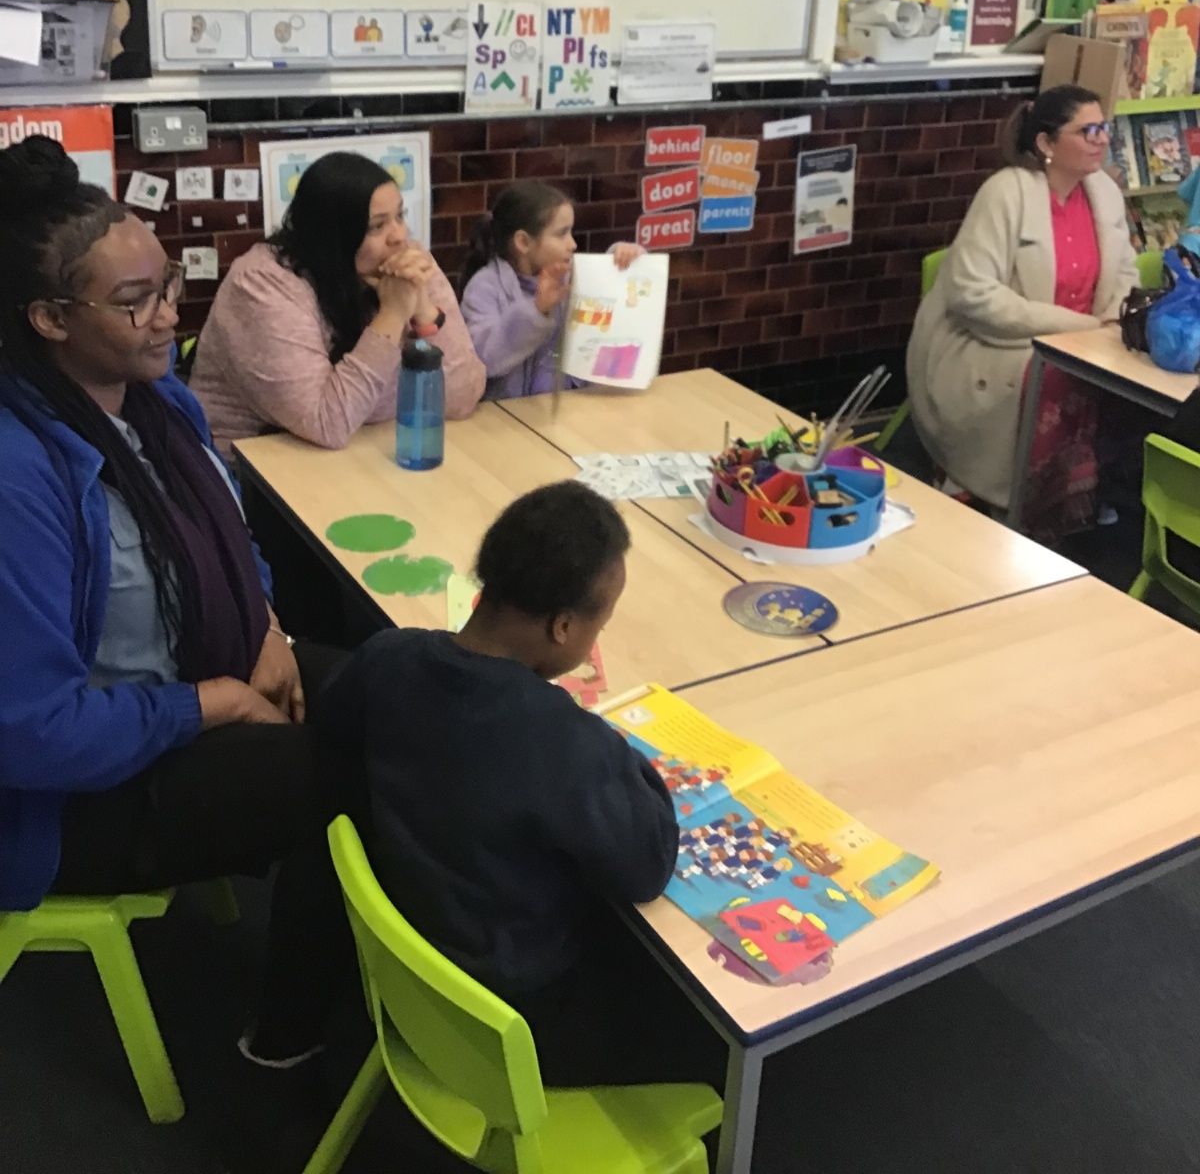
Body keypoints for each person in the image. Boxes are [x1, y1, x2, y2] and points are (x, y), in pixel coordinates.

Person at [0, 136, 347, 1064]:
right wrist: (211, 705)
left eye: (167, 287)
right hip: (77, 795)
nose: (168, 317)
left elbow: (231, 542)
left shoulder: (160, 403)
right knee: (354, 779)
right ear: (49, 318)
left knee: (395, 688)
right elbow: (31, 733)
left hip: (194, 681)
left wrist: (266, 624)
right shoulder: (18, 475)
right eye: (135, 301)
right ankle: (290, 1031)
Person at [317, 481, 722, 1088]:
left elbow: (333, 739)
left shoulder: (385, 656)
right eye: (599, 624)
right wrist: (619, 756)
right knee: (710, 1032)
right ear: (564, 627)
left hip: (405, 970)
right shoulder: (565, 743)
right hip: (508, 1024)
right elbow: (648, 864)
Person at [907, 85, 1139, 536]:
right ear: (1046, 143)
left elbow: (1125, 272)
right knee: (1057, 376)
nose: (1101, 140)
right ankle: (1023, 506)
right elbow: (972, 295)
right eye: (1087, 131)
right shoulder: (1005, 192)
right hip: (1000, 342)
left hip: (1089, 339)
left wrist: (1112, 319)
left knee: (1130, 384)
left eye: (1104, 128)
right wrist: (1080, 328)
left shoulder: (1104, 194)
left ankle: (1083, 500)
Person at [191, 152, 484, 456]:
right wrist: (394, 314)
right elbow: (327, 423)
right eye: (376, 226)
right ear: (333, 235)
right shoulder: (261, 284)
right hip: (255, 466)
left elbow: (464, 397)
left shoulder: (409, 266)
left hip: (365, 450)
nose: (399, 236)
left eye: (400, 216)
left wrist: (423, 310)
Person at [458, 181, 642, 400]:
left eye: (571, 232)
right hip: (504, 415)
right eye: (561, 234)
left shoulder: (571, 278)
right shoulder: (485, 288)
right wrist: (537, 310)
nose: (572, 244)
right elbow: (484, 359)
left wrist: (625, 260)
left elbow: (617, 295)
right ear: (523, 242)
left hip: (568, 408)